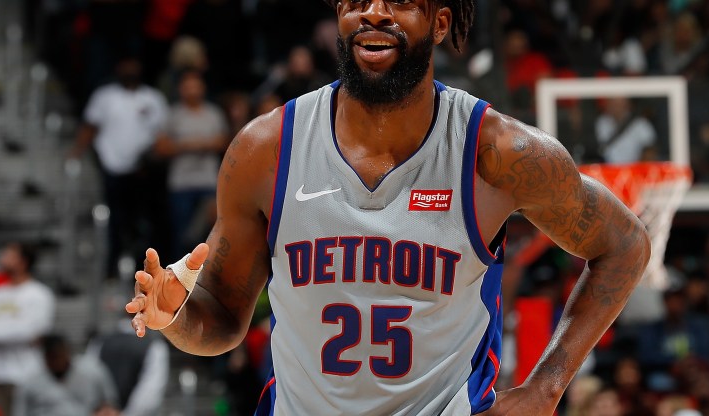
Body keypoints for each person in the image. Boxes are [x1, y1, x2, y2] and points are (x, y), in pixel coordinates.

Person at [125, 1, 651, 415]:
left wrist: (547, 387)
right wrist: (173, 314)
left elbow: (624, 244)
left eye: (399, 1)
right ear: (339, 17)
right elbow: (218, 318)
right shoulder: (266, 151)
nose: (373, 11)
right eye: (356, 0)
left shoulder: (497, 153)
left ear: (440, 22)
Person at [70, 56, 170, 279]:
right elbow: (90, 126)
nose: (130, 69)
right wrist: (75, 154)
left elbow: (162, 135)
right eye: (125, 65)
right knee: (115, 220)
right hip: (112, 168)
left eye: (133, 65)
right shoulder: (104, 96)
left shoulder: (153, 98)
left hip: (143, 171)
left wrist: (152, 159)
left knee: (143, 220)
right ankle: (112, 263)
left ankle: (144, 267)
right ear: (118, 68)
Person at [154, 70, 229, 259]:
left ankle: (207, 281)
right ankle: (179, 281)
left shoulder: (213, 113)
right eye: (188, 87)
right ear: (181, 89)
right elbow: (161, 147)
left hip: (208, 183)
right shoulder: (173, 115)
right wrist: (191, 145)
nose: (192, 91)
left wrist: (193, 144)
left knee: (211, 236)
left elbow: (225, 142)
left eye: (195, 86)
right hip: (181, 183)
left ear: (203, 88)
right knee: (182, 235)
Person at [0, 242, 55, 386]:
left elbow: (30, 332)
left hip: (26, 375)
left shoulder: (39, 294)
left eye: (9, 256)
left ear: (23, 262)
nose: (3, 259)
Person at [14, 334, 119, 416]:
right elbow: (20, 412)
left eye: (59, 355)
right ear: (45, 357)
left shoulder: (92, 371)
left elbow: (110, 403)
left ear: (67, 352)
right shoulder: (31, 382)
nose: (57, 362)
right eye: (52, 357)